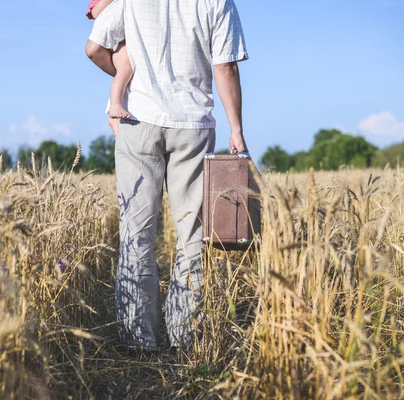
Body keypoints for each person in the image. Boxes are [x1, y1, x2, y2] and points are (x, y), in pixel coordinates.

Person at [86, 0, 248, 352]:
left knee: (136, 231)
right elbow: (226, 67)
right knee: (192, 233)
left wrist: (124, 81)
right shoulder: (217, 1)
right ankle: (184, 334)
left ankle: (137, 339)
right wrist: (236, 130)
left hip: (137, 122)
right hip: (193, 126)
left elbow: (95, 48)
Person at [86, 0, 132, 136]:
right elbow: (94, 12)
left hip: (129, 39)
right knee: (125, 71)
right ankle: (115, 107)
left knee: (125, 77)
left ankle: (115, 117)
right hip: (118, 43)